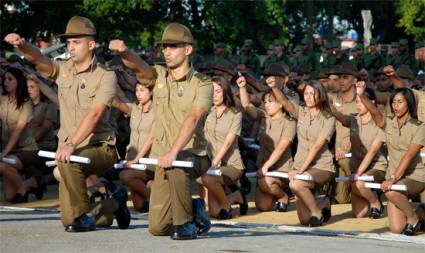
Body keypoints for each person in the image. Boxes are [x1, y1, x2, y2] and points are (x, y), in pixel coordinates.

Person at [4, 16, 130, 232]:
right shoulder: (63, 69)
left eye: (76, 42)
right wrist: (23, 45)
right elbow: (40, 60)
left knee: (69, 167)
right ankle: (113, 203)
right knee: (68, 220)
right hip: (69, 149)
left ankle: (83, 216)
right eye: (69, 42)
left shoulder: (105, 76)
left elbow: (96, 113)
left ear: (91, 45)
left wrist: (71, 143)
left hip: (100, 146)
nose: (71, 47)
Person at [108, 22, 213, 240]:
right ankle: (193, 207)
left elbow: (193, 117)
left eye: (173, 46)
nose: (167, 51)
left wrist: (173, 151)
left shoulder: (203, 83)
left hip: (195, 154)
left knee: (176, 167)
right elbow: (140, 68)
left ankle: (185, 224)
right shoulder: (159, 76)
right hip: (162, 158)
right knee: (157, 228)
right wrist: (125, 52)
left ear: (188, 49)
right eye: (164, 46)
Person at [357, 82, 425, 236]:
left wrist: (393, 179)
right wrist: (361, 95)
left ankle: (414, 217)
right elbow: (374, 112)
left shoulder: (419, 126)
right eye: (393, 102)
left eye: (400, 102)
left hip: (415, 177)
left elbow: (409, 156)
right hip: (393, 180)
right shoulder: (389, 123)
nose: (396, 106)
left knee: (391, 192)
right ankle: (419, 215)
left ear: (409, 103)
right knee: (396, 228)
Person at [270, 80, 335, 227]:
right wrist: (274, 87)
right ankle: (323, 203)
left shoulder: (328, 118)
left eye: (313, 94)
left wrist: (299, 170)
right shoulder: (302, 112)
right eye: (306, 93)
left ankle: (317, 213)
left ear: (321, 95)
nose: (309, 97)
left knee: (296, 184)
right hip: (302, 165)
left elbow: (317, 147)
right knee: (304, 220)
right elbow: (285, 103)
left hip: (322, 166)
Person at [237, 74, 296, 212]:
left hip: (281, 169)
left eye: (271, 101)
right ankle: (275, 192)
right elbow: (246, 105)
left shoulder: (290, 122)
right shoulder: (264, 116)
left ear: (281, 103)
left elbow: (281, 148)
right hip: (263, 168)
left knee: (266, 181)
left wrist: (265, 167)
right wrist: (242, 87)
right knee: (263, 206)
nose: (267, 105)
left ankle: (283, 196)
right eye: (265, 102)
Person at [330, 87, 387, 218]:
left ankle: (376, 203)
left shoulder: (379, 122)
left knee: (359, 182)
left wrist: (358, 174)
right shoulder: (353, 120)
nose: (358, 105)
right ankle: (370, 192)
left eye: (361, 101)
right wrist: (328, 105)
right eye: (356, 102)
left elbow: (372, 153)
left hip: (376, 167)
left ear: (370, 102)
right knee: (359, 214)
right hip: (357, 167)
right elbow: (338, 115)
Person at [200, 76, 247, 219]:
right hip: (212, 165)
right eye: (212, 91)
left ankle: (227, 205)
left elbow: (229, 142)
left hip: (232, 165)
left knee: (207, 177)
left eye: (218, 91)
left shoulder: (235, 114)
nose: (214, 95)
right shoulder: (207, 112)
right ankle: (236, 196)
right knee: (214, 213)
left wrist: (215, 161)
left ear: (225, 92)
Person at [112, 82, 155, 213]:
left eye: (142, 90)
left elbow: (151, 139)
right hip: (133, 161)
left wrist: (137, 158)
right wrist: (114, 80)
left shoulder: (158, 110)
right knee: (139, 207)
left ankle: (151, 195)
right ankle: (150, 188)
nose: (138, 94)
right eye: (136, 90)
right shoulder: (135, 109)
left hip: (148, 162)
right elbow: (118, 100)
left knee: (124, 175)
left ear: (151, 92)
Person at [0, 67, 38, 203]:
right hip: (9, 151)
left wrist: (4, 152)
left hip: (26, 150)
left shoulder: (26, 103)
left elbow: (18, 131)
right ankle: (33, 182)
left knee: (1, 162)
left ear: (19, 82)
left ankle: (22, 189)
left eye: (10, 79)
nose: (6, 82)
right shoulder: (2, 100)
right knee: (9, 197)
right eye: (5, 78)